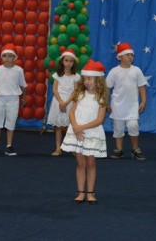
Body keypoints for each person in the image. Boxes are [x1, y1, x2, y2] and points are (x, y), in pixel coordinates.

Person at [61, 59, 108, 204]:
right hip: (77, 132)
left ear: (98, 79)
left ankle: (90, 192)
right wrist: (75, 127)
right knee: (80, 163)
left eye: (90, 78)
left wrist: (81, 128)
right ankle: (80, 192)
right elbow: (72, 113)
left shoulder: (101, 97)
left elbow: (99, 119)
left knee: (91, 163)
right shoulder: (79, 94)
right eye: (85, 78)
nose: (87, 81)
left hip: (91, 133)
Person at [106, 42, 147, 161]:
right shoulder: (114, 71)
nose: (130, 57)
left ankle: (135, 148)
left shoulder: (137, 70)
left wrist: (143, 101)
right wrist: (106, 103)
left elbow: (142, 87)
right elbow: (107, 88)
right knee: (118, 128)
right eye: (127, 54)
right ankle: (119, 149)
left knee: (133, 125)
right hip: (117, 106)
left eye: (131, 55)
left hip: (132, 106)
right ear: (119, 57)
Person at [0, 44, 27, 156]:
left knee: (11, 121)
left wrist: (24, 97)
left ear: (15, 57)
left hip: (13, 99)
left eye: (10, 56)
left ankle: (9, 146)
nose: (7, 58)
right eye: (5, 56)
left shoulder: (19, 70)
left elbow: (22, 84)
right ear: (2, 57)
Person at [47, 49, 80, 156]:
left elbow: (75, 91)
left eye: (71, 61)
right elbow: (54, 90)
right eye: (66, 60)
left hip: (70, 102)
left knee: (71, 126)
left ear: (73, 63)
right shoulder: (58, 75)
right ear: (62, 61)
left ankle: (72, 148)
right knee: (58, 127)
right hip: (58, 102)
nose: (68, 63)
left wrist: (66, 103)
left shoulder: (76, 77)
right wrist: (61, 102)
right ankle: (58, 148)